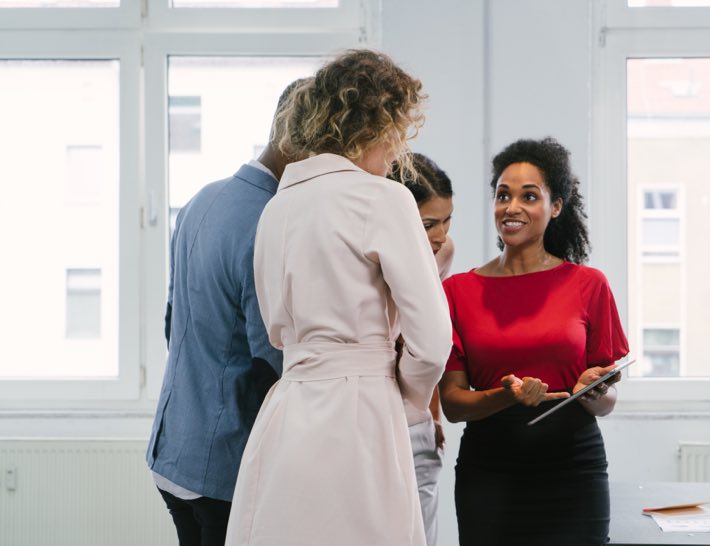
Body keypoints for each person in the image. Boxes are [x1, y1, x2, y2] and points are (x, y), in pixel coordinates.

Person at [224, 49, 452, 546]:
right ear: (378, 124)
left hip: (288, 409)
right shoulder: (382, 199)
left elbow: (272, 328)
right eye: (398, 132)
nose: (396, 153)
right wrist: (409, 396)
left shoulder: (277, 208)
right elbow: (433, 340)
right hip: (361, 409)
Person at [439, 137, 630, 546]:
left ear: (555, 206)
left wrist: (589, 393)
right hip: (488, 475)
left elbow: (607, 401)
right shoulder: (457, 291)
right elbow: (453, 405)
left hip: (574, 473)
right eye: (503, 195)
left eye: (529, 196)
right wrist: (506, 395)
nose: (512, 207)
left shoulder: (588, 285)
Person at [146, 79, 308, 546]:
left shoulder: (201, 200)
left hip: (173, 447)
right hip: (224, 465)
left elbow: (171, 323)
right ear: (297, 138)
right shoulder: (271, 220)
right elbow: (269, 365)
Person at [389, 152, 454, 546]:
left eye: (448, 220)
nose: (441, 235)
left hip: (414, 410)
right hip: (375, 405)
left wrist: (434, 414)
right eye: (430, 224)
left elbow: (432, 337)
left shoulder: (442, 253)